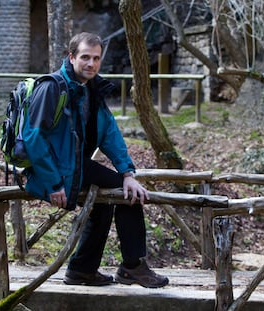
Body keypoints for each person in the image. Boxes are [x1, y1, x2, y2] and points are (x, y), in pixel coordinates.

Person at [22, 32, 169, 288]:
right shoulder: (52, 87)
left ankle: (82, 270)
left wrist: (127, 173)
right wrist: (54, 183)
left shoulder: (92, 88)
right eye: (85, 57)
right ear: (71, 57)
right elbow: (34, 138)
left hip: (75, 167)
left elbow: (109, 132)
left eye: (96, 58)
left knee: (118, 195)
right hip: (53, 172)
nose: (91, 64)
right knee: (123, 198)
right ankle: (133, 266)